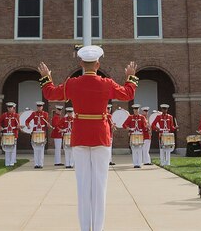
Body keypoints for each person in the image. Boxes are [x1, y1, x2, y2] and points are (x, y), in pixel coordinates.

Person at [38, 45, 138, 231]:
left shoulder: (72, 84)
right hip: (101, 135)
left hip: (80, 135)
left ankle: (85, 228)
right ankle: (98, 228)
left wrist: (46, 77)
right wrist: (130, 77)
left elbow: (50, 94)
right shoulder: (106, 83)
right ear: (98, 64)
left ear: (81, 63)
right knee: (100, 185)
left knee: (83, 185)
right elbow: (128, 93)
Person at [122, 104, 150, 168]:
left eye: (137, 109)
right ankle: (135, 164)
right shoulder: (130, 117)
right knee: (134, 150)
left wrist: (146, 127)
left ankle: (139, 163)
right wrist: (129, 129)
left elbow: (144, 125)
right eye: (135, 110)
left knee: (140, 149)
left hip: (140, 134)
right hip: (133, 134)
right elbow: (124, 125)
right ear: (133, 110)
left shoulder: (142, 117)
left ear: (139, 110)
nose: (136, 111)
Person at [25, 100, 51, 169]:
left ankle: (41, 164)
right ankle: (36, 163)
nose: (39, 107)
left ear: (42, 107)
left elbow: (47, 123)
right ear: (37, 107)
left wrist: (48, 124)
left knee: (41, 149)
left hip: (42, 132)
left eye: (40, 106)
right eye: (38, 106)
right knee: (36, 148)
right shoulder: (34, 114)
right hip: (35, 132)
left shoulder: (45, 114)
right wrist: (28, 126)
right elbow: (27, 121)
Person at [0, 101, 21, 167]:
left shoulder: (16, 115)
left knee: (13, 149)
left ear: (13, 108)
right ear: (7, 108)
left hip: (13, 134)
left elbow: (18, 125)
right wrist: (1, 127)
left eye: (11, 107)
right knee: (7, 148)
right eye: (8, 107)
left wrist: (18, 127)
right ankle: (7, 162)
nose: (10, 109)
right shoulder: (4, 115)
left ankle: (12, 162)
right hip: (6, 133)